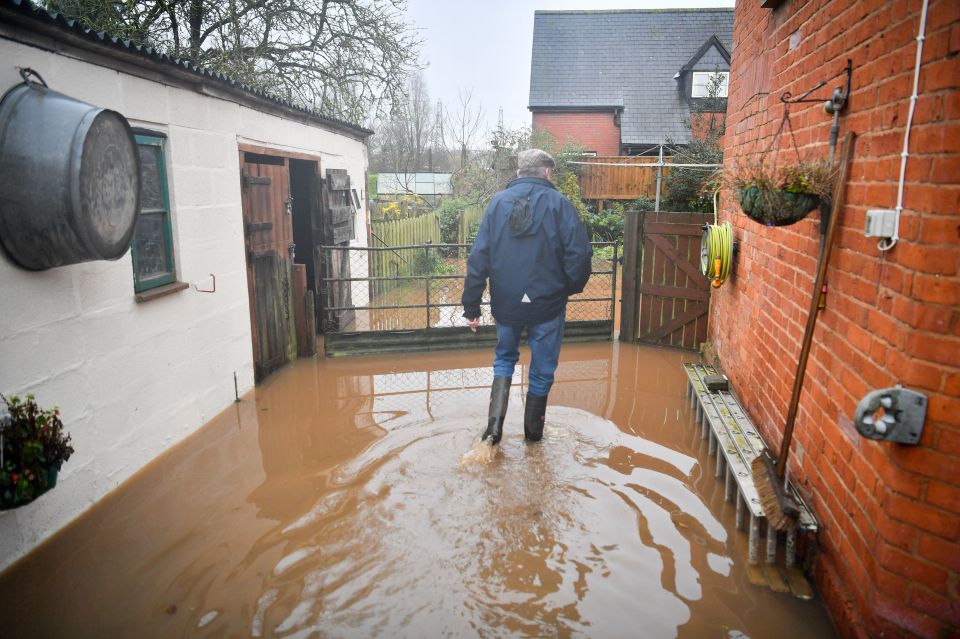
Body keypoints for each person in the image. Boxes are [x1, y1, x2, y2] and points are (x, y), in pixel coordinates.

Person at [461, 148, 592, 445]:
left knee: (504, 359)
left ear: (520, 172)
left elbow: (479, 256)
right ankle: (534, 439)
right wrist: (567, 288)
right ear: (546, 171)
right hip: (548, 305)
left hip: (506, 303)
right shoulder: (560, 204)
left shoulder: (496, 204)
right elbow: (580, 255)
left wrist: (472, 305)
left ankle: (493, 431)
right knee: (542, 369)